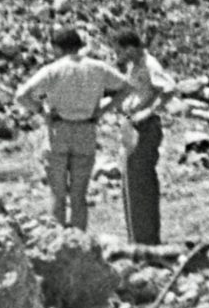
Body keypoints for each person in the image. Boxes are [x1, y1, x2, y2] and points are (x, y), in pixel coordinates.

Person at [13, 28, 130, 232]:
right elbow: (126, 87)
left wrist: (41, 111)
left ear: (58, 48)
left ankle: (59, 242)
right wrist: (104, 109)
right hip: (86, 130)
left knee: (57, 195)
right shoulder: (98, 68)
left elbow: (22, 95)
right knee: (79, 196)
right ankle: (80, 241)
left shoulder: (53, 69)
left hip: (58, 130)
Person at [110, 30, 174, 246]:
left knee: (140, 181)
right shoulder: (135, 66)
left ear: (130, 48)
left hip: (145, 127)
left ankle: (146, 240)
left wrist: (148, 111)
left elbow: (168, 89)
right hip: (133, 125)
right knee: (131, 181)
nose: (118, 56)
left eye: (120, 51)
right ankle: (137, 239)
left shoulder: (149, 64)